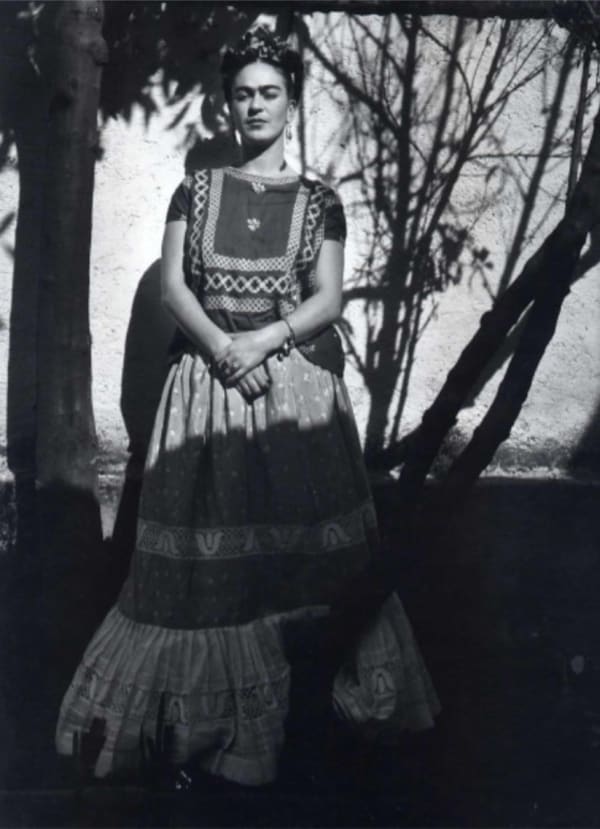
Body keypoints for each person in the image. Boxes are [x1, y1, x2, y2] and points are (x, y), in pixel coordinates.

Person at [55, 26, 440, 788]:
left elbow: (327, 298)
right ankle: (209, 729)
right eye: (243, 94)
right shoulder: (193, 193)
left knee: (296, 570)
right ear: (225, 106)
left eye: (270, 93)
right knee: (205, 580)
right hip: (206, 387)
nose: (255, 106)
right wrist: (224, 350)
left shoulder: (320, 201)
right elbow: (174, 288)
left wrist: (263, 340)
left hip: (292, 389)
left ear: (291, 106)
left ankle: (307, 719)